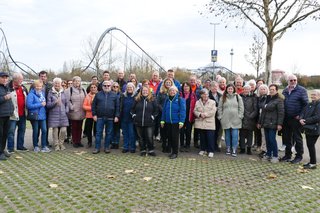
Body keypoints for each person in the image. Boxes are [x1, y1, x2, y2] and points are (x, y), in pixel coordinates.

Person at [281, 74, 308, 164]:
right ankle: (288, 155)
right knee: (287, 138)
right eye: (291, 80)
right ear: (288, 81)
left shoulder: (301, 90)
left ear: (296, 81)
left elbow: (305, 105)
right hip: (286, 118)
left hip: (296, 119)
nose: (293, 82)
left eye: (294, 80)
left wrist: (300, 116)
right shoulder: (285, 91)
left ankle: (299, 156)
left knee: (297, 138)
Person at [258, 84, 284, 163]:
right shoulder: (267, 98)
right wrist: (260, 122)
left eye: (273, 89)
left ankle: (275, 155)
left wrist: (280, 124)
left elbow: (281, 113)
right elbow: (263, 112)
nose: (271, 91)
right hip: (265, 123)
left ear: (276, 90)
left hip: (273, 123)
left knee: (272, 139)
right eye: (270, 89)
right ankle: (268, 154)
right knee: (267, 139)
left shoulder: (279, 100)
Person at [91, 80, 120, 154]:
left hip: (110, 118)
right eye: (105, 85)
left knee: (109, 133)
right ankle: (97, 148)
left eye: (108, 85)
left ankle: (106, 147)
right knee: (98, 133)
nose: (106, 87)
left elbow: (117, 107)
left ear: (111, 86)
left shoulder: (114, 95)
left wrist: (117, 116)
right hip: (99, 117)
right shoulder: (98, 94)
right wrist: (94, 114)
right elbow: (93, 105)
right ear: (102, 86)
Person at [131, 85, 158, 156]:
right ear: (141, 91)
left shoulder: (152, 99)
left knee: (149, 137)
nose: (145, 92)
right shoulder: (137, 99)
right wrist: (134, 115)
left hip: (149, 122)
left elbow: (156, 110)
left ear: (149, 91)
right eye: (143, 91)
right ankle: (142, 150)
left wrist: (153, 117)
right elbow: (132, 109)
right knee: (140, 137)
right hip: (138, 122)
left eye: (146, 90)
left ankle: (151, 150)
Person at [218, 84, 244, 157]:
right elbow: (219, 108)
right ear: (227, 89)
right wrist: (220, 116)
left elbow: (241, 107)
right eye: (229, 89)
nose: (230, 90)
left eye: (231, 89)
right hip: (225, 118)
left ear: (233, 90)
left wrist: (240, 116)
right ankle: (228, 148)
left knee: (235, 135)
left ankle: (234, 148)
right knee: (227, 135)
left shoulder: (237, 97)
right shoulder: (223, 97)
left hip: (236, 119)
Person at [161, 86, 186, 159]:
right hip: (168, 122)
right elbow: (164, 111)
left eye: (173, 91)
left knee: (175, 137)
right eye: (171, 90)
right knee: (169, 137)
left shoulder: (180, 99)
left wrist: (181, 121)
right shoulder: (167, 100)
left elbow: (183, 111)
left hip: (176, 122)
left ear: (176, 92)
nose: (172, 92)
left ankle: (175, 152)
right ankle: (172, 151)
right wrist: (162, 120)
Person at [27, 80, 50, 153]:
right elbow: (29, 105)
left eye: (40, 86)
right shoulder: (31, 94)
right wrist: (40, 104)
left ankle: (43, 146)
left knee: (44, 130)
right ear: (34, 86)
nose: (39, 87)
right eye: (37, 86)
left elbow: (44, 103)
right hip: (35, 115)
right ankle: (35, 146)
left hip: (42, 115)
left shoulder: (42, 93)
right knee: (36, 131)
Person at [7, 73, 28, 153]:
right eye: (20, 79)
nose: (22, 81)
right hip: (13, 114)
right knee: (11, 131)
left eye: (22, 79)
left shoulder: (23, 88)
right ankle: (10, 148)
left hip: (22, 113)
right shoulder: (8, 88)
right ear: (15, 80)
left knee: (22, 130)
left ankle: (20, 146)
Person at [299, 89, 320, 169]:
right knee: (309, 145)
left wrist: (305, 121)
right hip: (308, 128)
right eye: (312, 94)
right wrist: (301, 118)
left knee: (310, 145)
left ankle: (313, 163)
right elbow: (303, 112)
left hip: (315, 128)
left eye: (314, 95)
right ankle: (312, 162)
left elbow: (317, 117)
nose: (312, 96)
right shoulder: (309, 104)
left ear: (319, 96)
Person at [46, 78, 69, 151]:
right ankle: (56, 145)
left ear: (61, 84)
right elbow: (48, 105)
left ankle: (61, 143)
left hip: (63, 115)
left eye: (58, 83)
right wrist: (55, 102)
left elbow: (67, 103)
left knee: (63, 130)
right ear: (53, 84)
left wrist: (66, 110)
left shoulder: (64, 92)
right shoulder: (50, 93)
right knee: (55, 131)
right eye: (55, 83)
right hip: (53, 115)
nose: (57, 85)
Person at [64, 76, 87, 148]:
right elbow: (66, 100)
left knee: (80, 127)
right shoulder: (69, 90)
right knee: (74, 127)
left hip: (81, 111)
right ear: (73, 82)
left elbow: (86, 98)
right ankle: (75, 141)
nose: (77, 82)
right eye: (76, 81)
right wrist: (71, 107)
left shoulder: (83, 89)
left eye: (79, 81)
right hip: (73, 112)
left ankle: (79, 141)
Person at [194, 89, 217, 158]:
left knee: (210, 137)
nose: (205, 95)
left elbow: (213, 111)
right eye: (203, 94)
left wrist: (205, 114)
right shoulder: (197, 102)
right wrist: (200, 114)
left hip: (209, 123)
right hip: (200, 122)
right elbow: (194, 110)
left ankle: (211, 151)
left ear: (208, 95)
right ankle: (202, 149)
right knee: (202, 137)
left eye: (206, 94)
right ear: (201, 95)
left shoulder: (212, 102)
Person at [239, 84, 258, 155]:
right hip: (242, 118)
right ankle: (242, 148)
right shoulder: (240, 97)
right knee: (242, 135)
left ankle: (249, 149)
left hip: (250, 119)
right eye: (245, 89)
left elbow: (256, 109)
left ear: (250, 90)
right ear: (243, 90)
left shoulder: (253, 97)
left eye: (248, 89)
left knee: (250, 135)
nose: (246, 90)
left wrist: (251, 116)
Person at [157, 78, 174, 153]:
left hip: (171, 115)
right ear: (164, 83)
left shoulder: (174, 92)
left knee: (170, 131)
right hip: (162, 114)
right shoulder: (161, 92)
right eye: (166, 82)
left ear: (171, 84)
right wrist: (163, 110)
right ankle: (164, 145)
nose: (168, 84)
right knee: (163, 131)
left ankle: (169, 146)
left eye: (169, 82)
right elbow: (158, 103)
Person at [179, 82, 196, 152]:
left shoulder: (193, 95)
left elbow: (195, 105)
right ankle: (182, 145)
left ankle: (188, 145)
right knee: (181, 131)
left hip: (189, 116)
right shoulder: (179, 95)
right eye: (184, 86)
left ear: (189, 87)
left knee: (188, 131)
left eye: (187, 86)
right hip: (181, 116)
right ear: (182, 87)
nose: (186, 87)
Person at [120, 82, 137, 153]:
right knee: (125, 133)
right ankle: (125, 147)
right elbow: (121, 106)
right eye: (128, 87)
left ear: (133, 88)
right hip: (124, 117)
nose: (129, 88)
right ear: (126, 88)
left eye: (131, 87)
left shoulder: (136, 97)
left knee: (132, 133)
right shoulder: (123, 96)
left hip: (132, 118)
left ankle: (132, 147)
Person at [0, 72, 14, 160]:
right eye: (2, 77)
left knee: (5, 134)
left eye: (6, 78)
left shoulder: (7, 87)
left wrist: (11, 110)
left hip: (7, 114)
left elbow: (10, 101)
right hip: (0, 115)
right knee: (0, 134)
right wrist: (4, 98)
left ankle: (2, 149)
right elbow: (5, 99)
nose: (5, 79)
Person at [255, 84, 269, 157]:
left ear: (267, 90)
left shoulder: (268, 98)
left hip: (266, 120)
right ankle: (263, 150)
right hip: (260, 119)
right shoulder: (259, 98)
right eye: (261, 89)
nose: (262, 90)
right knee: (263, 135)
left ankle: (266, 150)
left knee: (266, 136)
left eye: (264, 89)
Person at [83, 83, 98, 148]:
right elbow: (84, 106)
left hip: (97, 116)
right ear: (90, 88)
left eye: (94, 87)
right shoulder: (87, 96)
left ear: (96, 88)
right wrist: (92, 108)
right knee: (89, 130)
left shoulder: (99, 95)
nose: (93, 88)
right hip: (89, 116)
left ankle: (97, 142)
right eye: (91, 87)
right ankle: (89, 142)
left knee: (97, 130)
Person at [208, 81, 222, 152]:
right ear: (210, 87)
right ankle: (210, 145)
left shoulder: (220, 95)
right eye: (213, 86)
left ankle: (215, 145)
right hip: (210, 117)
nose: (214, 88)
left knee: (217, 131)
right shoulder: (207, 95)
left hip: (218, 116)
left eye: (216, 86)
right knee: (211, 132)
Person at [111, 81, 121, 149]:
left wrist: (118, 115)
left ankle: (116, 142)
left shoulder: (121, 95)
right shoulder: (110, 94)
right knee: (111, 129)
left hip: (118, 115)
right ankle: (112, 142)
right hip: (110, 114)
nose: (115, 88)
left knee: (117, 130)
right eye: (114, 86)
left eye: (117, 87)